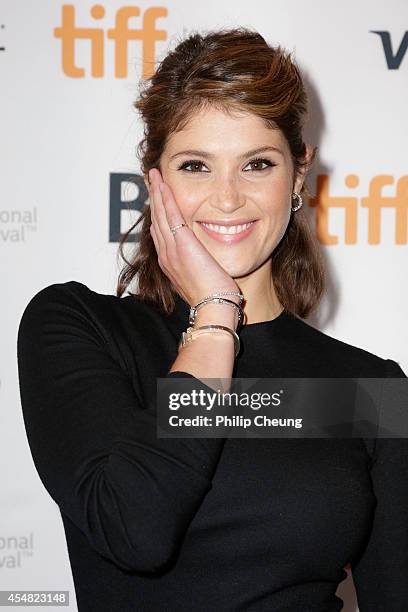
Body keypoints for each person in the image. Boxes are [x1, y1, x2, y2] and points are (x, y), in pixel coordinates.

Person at [17, 27, 408, 612]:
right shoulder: (81, 328)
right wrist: (216, 315)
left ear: (298, 175)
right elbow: (135, 530)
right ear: (155, 179)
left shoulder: (367, 391)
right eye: (196, 165)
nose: (227, 199)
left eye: (256, 164)